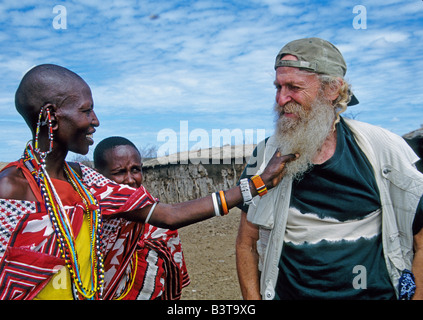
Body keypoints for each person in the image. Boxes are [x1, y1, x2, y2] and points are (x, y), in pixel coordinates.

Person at [0, 64, 296, 300]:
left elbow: (167, 216)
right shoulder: (10, 190)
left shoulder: (84, 179)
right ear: (51, 115)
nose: (96, 120)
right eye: (86, 110)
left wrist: (256, 184)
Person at [235, 37, 423, 300]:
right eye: (278, 87)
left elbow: (420, 241)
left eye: (294, 87)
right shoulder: (266, 156)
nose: (281, 98)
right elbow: (246, 243)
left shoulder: (384, 150)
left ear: (332, 89)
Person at [93, 136, 190, 300]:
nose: (130, 179)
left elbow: (171, 271)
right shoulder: (91, 223)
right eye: (119, 172)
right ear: (98, 175)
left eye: (136, 170)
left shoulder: (159, 219)